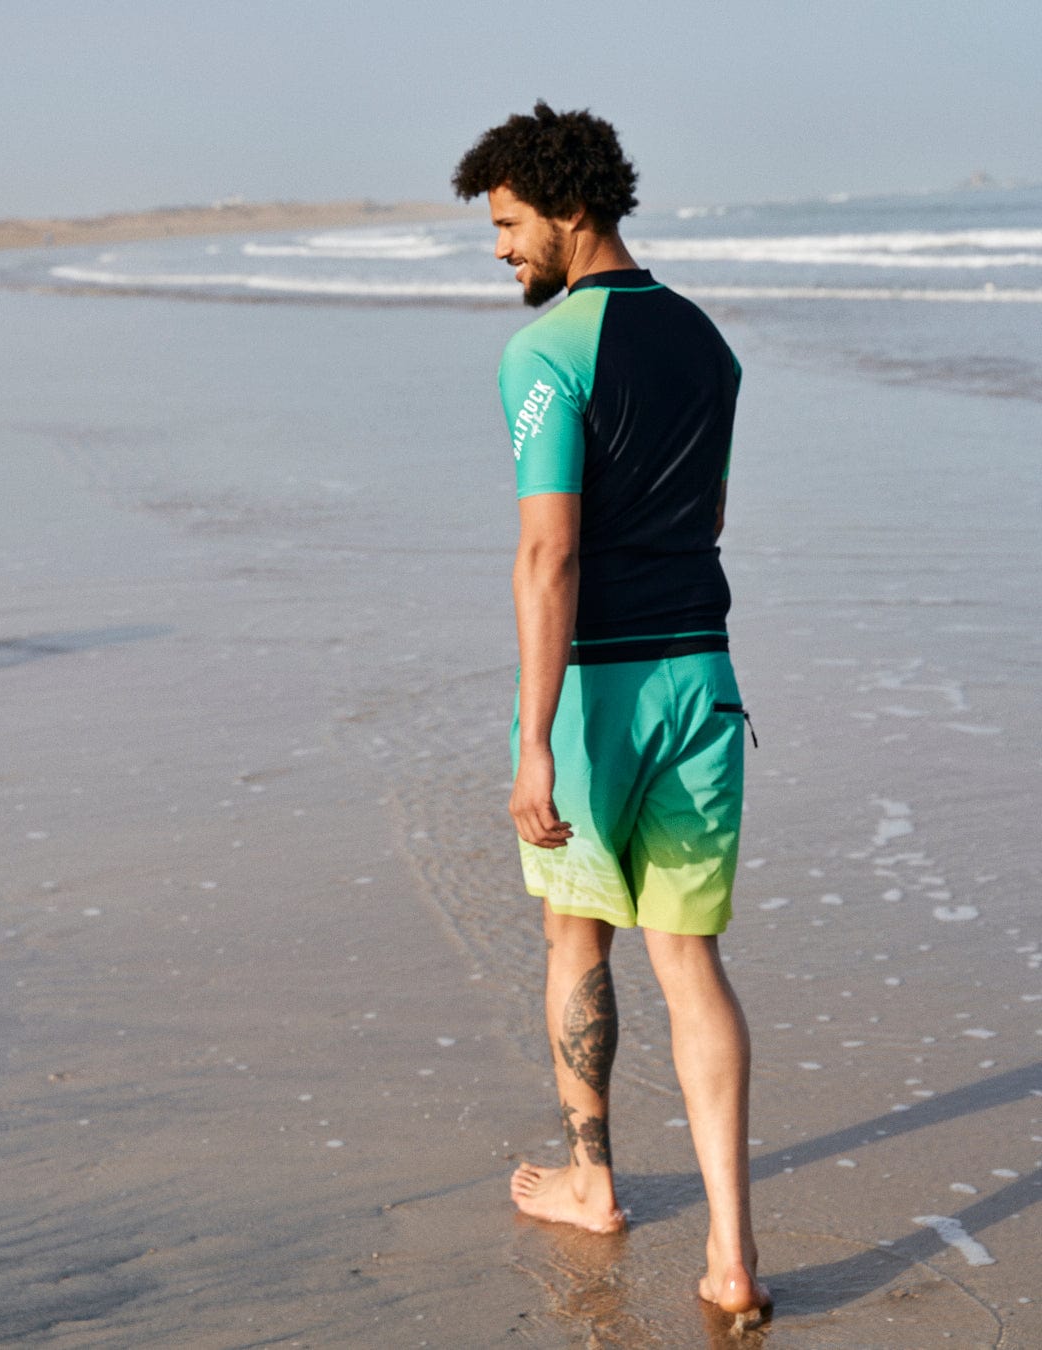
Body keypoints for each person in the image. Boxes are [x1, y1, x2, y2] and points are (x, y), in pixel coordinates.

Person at [452, 102, 770, 1324]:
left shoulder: (546, 354)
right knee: (692, 962)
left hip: (598, 694)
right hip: (704, 678)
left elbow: (549, 556)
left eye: (510, 223)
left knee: (575, 939)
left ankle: (593, 1184)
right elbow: (717, 516)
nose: (500, 250)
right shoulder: (708, 344)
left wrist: (534, 743)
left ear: (567, 209)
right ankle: (733, 1254)